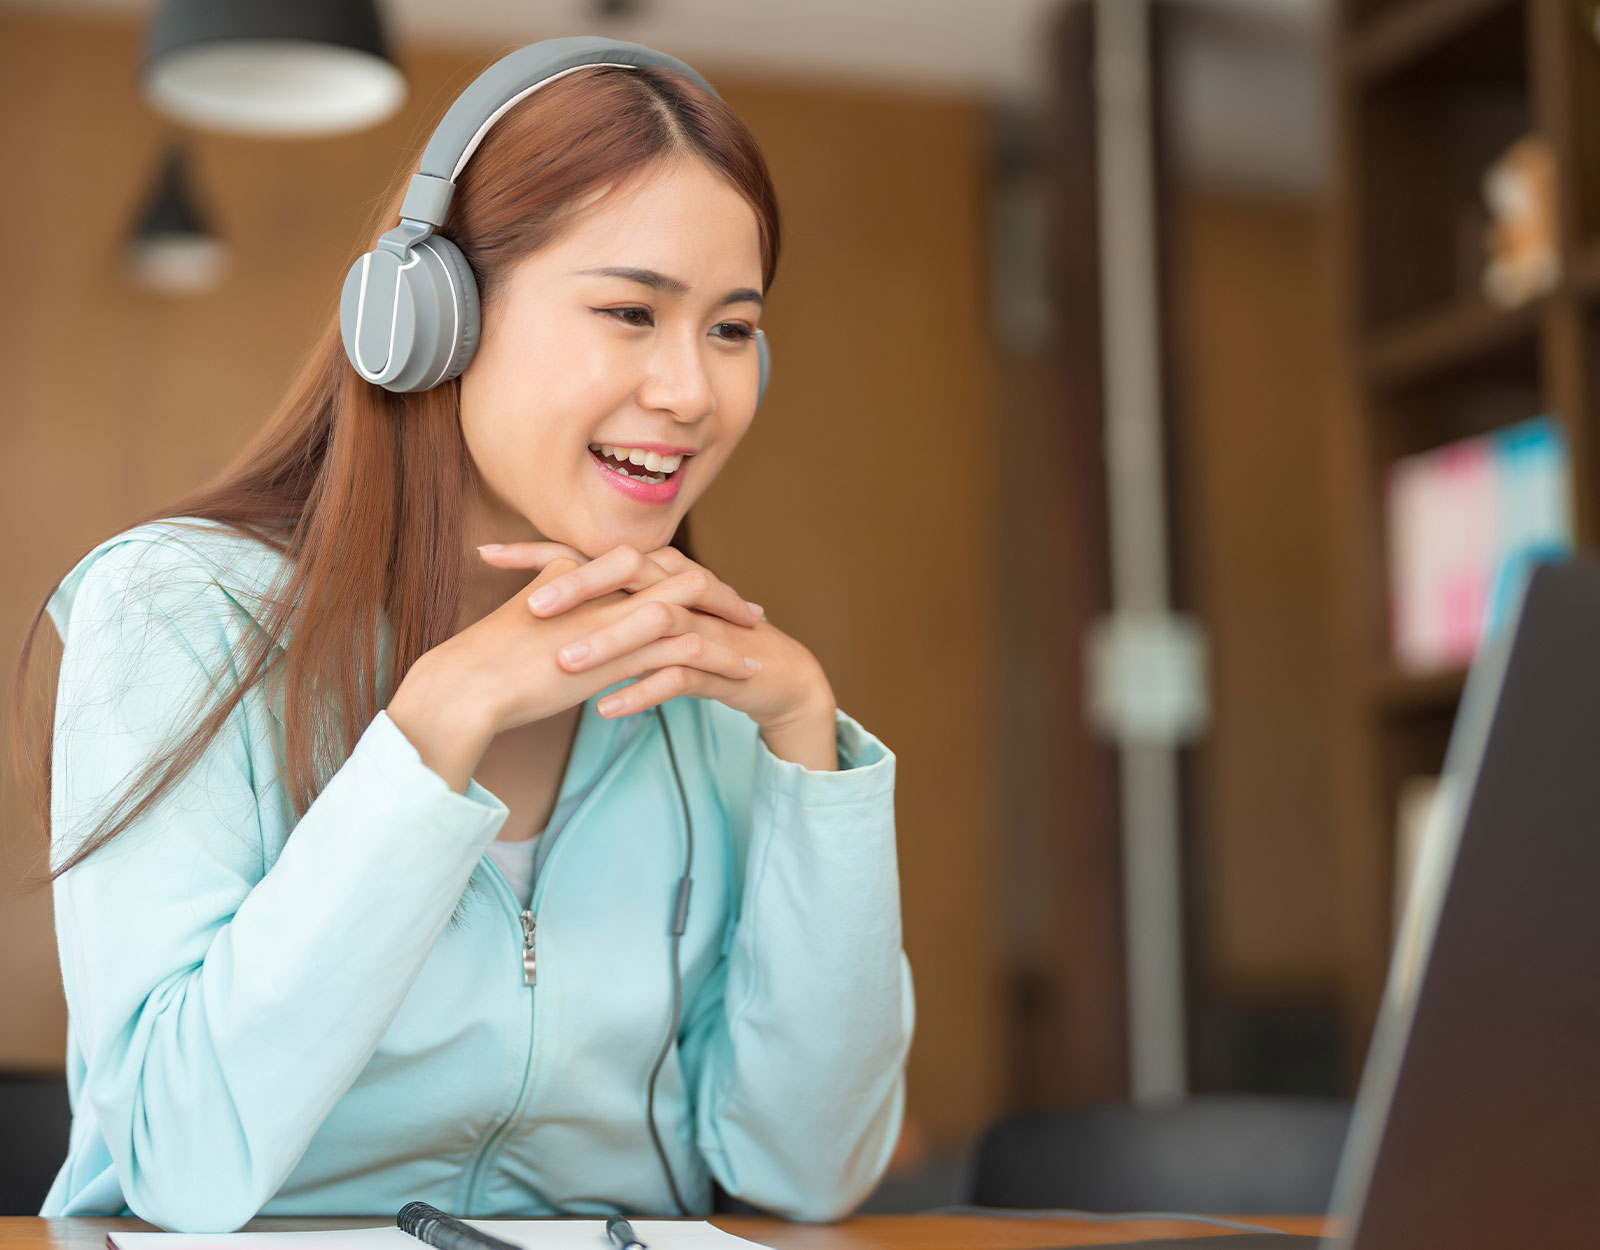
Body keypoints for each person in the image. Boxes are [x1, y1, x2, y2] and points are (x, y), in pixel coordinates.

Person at [14, 37, 914, 1234]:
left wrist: (811, 758)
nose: (692, 392)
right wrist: (433, 728)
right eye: (630, 310)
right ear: (427, 318)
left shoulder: (700, 696)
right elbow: (178, 1160)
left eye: (731, 329)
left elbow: (806, 1171)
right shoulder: (174, 612)